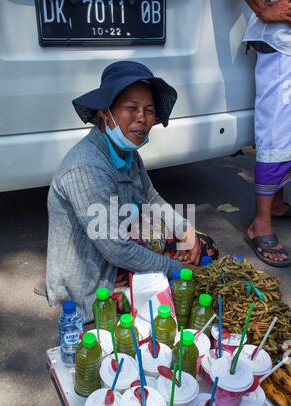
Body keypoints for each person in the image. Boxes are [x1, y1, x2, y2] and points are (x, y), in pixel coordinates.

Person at [46, 61, 218, 322]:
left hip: (119, 241)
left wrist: (185, 229)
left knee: (203, 248)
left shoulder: (127, 153)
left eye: (149, 110)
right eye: (132, 108)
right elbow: (116, 249)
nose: (142, 118)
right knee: (177, 284)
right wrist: (175, 268)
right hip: (93, 279)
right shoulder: (86, 166)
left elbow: (150, 197)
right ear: (105, 112)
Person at [244, 0, 291, 267]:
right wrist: (262, 9)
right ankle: (260, 225)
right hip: (279, 40)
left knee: (287, 132)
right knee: (276, 134)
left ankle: (276, 204)